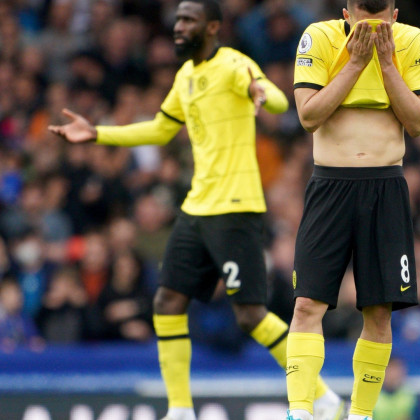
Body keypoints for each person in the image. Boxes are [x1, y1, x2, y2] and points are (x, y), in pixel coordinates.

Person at [48, 2, 344, 420]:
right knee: (167, 301)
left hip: (236, 208)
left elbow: (278, 101)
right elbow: (160, 128)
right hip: (197, 207)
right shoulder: (185, 76)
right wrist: (98, 133)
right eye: (178, 19)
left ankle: (322, 394)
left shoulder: (234, 65)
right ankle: (181, 409)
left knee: (251, 316)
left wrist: (261, 92)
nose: (178, 26)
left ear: (212, 27)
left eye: (188, 19)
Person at [286, 0, 420, 419]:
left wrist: (386, 65)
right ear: (345, 15)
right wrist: (355, 62)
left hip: (385, 187)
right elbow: (308, 115)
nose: (374, 29)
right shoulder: (320, 36)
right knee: (306, 304)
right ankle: (300, 411)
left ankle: (361, 414)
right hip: (330, 185)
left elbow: (419, 122)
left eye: (381, 20)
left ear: (396, 16)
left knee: (379, 309)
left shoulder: (411, 41)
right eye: (362, 19)